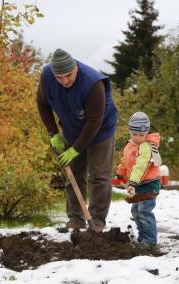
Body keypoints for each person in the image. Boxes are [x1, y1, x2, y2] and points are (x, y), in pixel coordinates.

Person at [37, 48, 117, 232]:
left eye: (69, 75)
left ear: (76, 68)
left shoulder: (93, 83)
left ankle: (97, 220)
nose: (65, 80)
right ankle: (76, 218)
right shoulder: (47, 76)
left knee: (99, 176)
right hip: (72, 129)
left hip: (100, 130)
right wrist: (53, 132)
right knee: (74, 173)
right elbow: (42, 104)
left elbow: (94, 121)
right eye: (60, 77)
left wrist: (76, 149)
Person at [113, 112, 162, 248]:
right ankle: (143, 237)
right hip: (137, 185)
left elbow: (140, 166)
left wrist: (132, 183)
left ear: (147, 132)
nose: (138, 137)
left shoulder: (146, 147)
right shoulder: (130, 145)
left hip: (148, 184)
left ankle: (150, 241)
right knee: (135, 212)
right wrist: (120, 175)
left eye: (141, 135)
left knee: (144, 212)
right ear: (130, 132)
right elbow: (125, 162)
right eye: (134, 134)